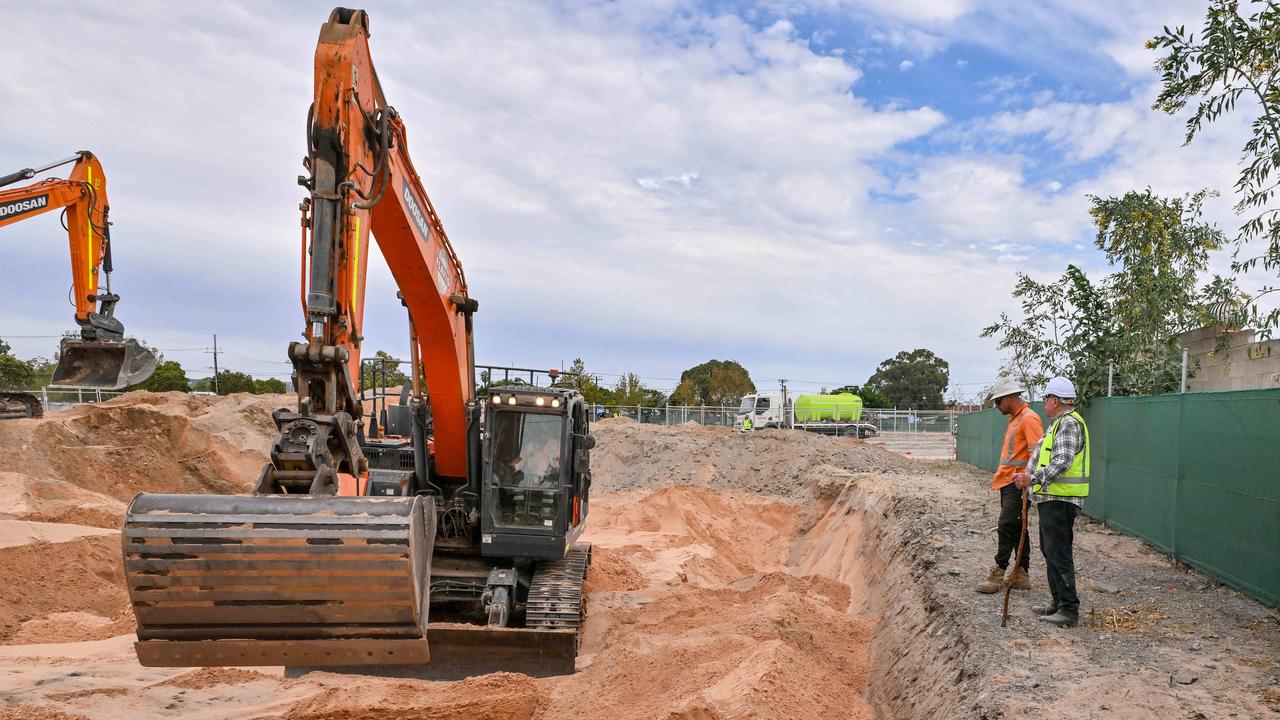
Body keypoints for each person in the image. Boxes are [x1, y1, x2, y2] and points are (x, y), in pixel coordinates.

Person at [1012, 377, 1090, 628]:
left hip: (1060, 499)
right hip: (1051, 498)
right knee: (1050, 551)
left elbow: (1062, 462)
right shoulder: (1057, 424)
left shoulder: (1068, 424)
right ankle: (1058, 603)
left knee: (1059, 553)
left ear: (1055, 401)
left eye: (1047, 399)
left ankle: (1068, 610)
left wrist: (1032, 478)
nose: (1044, 403)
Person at [975, 377, 1043, 594]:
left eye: (998, 401)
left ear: (1011, 397)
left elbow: (1038, 455)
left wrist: (1026, 480)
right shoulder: (1015, 419)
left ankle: (999, 571)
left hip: (1018, 484)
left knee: (1006, 526)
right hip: (1008, 483)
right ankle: (1022, 574)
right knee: (1017, 527)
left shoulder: (1029, 419)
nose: (996, 406)